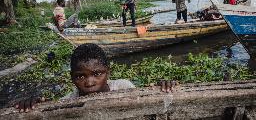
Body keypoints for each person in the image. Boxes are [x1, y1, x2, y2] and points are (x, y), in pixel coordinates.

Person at [15, 43, 176, 112]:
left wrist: (161, 87)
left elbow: (144, 100)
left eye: (97, 73)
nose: (89, 82)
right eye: (80, 76)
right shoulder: (67, 101)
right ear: (72, 78)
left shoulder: (123, 86)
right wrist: (34, 104)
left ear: (108, 72)